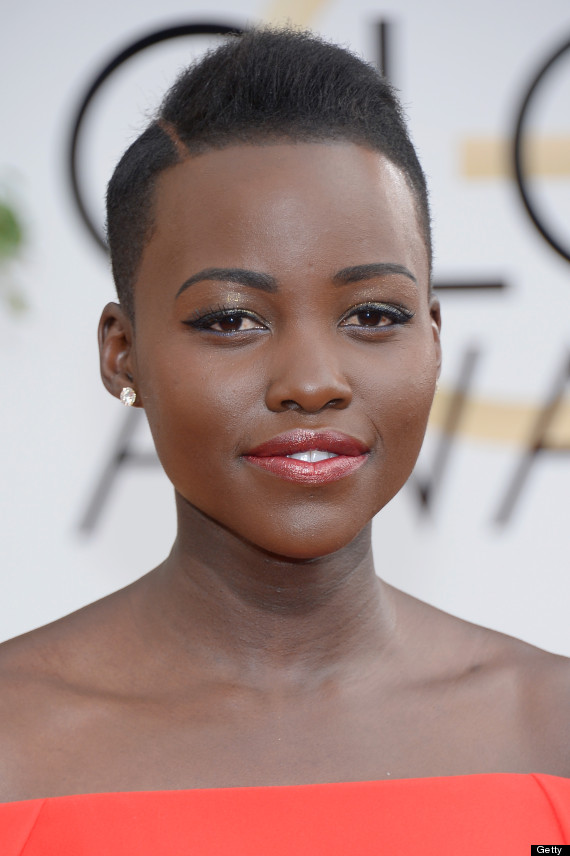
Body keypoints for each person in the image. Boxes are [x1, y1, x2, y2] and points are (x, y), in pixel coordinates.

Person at [1, 27, 569, 853]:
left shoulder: (551, 731)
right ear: (122, 353)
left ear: (434, 340)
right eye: (231, 319)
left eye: (374, 315)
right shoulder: (14, 740)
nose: (312, 380)